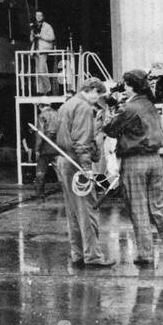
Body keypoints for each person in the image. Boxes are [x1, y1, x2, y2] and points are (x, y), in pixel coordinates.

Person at [104, 68, 163, 270]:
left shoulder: (128, 109)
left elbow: (110, 129)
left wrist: (109, 106)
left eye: (125, 85)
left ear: (130, 86)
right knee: (161, 206)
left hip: (135, 161)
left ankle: (145, 253)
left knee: (139, 208)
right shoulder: (148, 104)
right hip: (155, 160)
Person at [54, 77, 114, 267]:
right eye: (98, 94)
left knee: (73, 211)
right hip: (77, 163)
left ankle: (78, 253)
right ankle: (93, 256)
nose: (98, 98)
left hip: (64, 160)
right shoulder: (84, 108)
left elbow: (54, 131)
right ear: (91, 90)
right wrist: (87, 169)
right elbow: (82, 142)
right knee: (87, 210)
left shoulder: (66, 105)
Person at [33, 103, 63, 197]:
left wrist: (37, 149)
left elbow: (40, 134)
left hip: (45, 147)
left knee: (41, 171)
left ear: (40, 106)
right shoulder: (58, 114)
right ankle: (66, 192)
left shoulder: (42, 116)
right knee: (60, 171)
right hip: (57, 146)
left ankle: (39, 193)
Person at [29, 10, 57, 95]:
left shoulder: (47, 26)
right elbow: (31, 40)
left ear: (43, 17)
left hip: (43, 49)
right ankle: (41, 90)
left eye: (40, 16)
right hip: (36, 50)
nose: (38, 17)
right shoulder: (34, 27)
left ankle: (48, 89)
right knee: (39, 71)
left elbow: (52, 37)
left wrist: (41, 36)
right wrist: (32, 35)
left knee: (41, 71)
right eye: (37, 16)